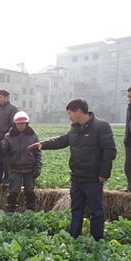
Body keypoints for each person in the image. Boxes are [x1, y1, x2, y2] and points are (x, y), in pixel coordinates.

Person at [29, 99, 117, 241]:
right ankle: (74, 238)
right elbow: (62, 140)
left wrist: (104, 173)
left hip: (93, 177)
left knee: (97, 211)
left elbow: (110, 151)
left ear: (79, 111)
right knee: (76, 210)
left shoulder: (101, 126)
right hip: (77, 177)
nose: (69, 116)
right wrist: (42, 144)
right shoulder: (75, 128)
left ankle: (96, 240)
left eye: (70, 113)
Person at [2, 111, 42, 212]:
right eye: (18, 124)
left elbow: (38, 154)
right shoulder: (8, 136)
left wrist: (38, 167)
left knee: (30, 191)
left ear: (26, 124)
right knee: (13, 191)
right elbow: (4, 152)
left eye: (22, 124)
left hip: (29, 169)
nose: (20, 126)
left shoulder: (33, 135)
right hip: (15, 169)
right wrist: (1, 147)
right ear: (15, 124)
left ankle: (30, 210)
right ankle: (10, 211)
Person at [0, 89, 18, 184]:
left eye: (0, 97)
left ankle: (7, 179)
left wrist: (6, 139)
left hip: (6, 140)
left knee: (6, 161)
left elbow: (13, 126)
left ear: (6, 97)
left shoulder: (12, 109)